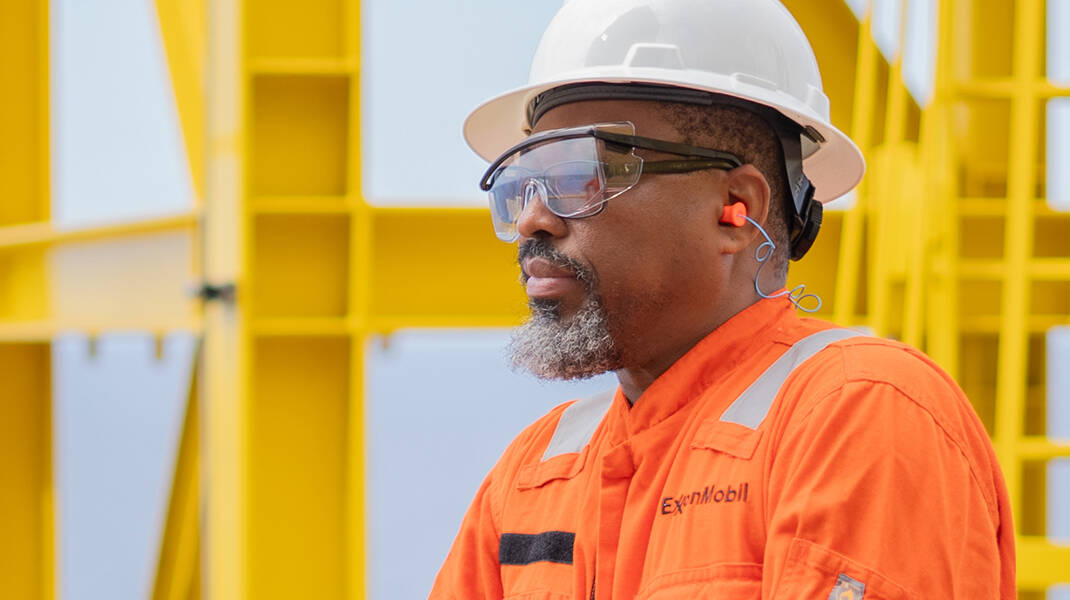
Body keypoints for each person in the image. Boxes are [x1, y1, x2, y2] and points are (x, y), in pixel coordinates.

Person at [431, 0, 1016, 597]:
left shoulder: (855, 410)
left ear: (736, 209)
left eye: (581, 174)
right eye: (520, 186)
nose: (533, 219)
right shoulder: (536, 474)